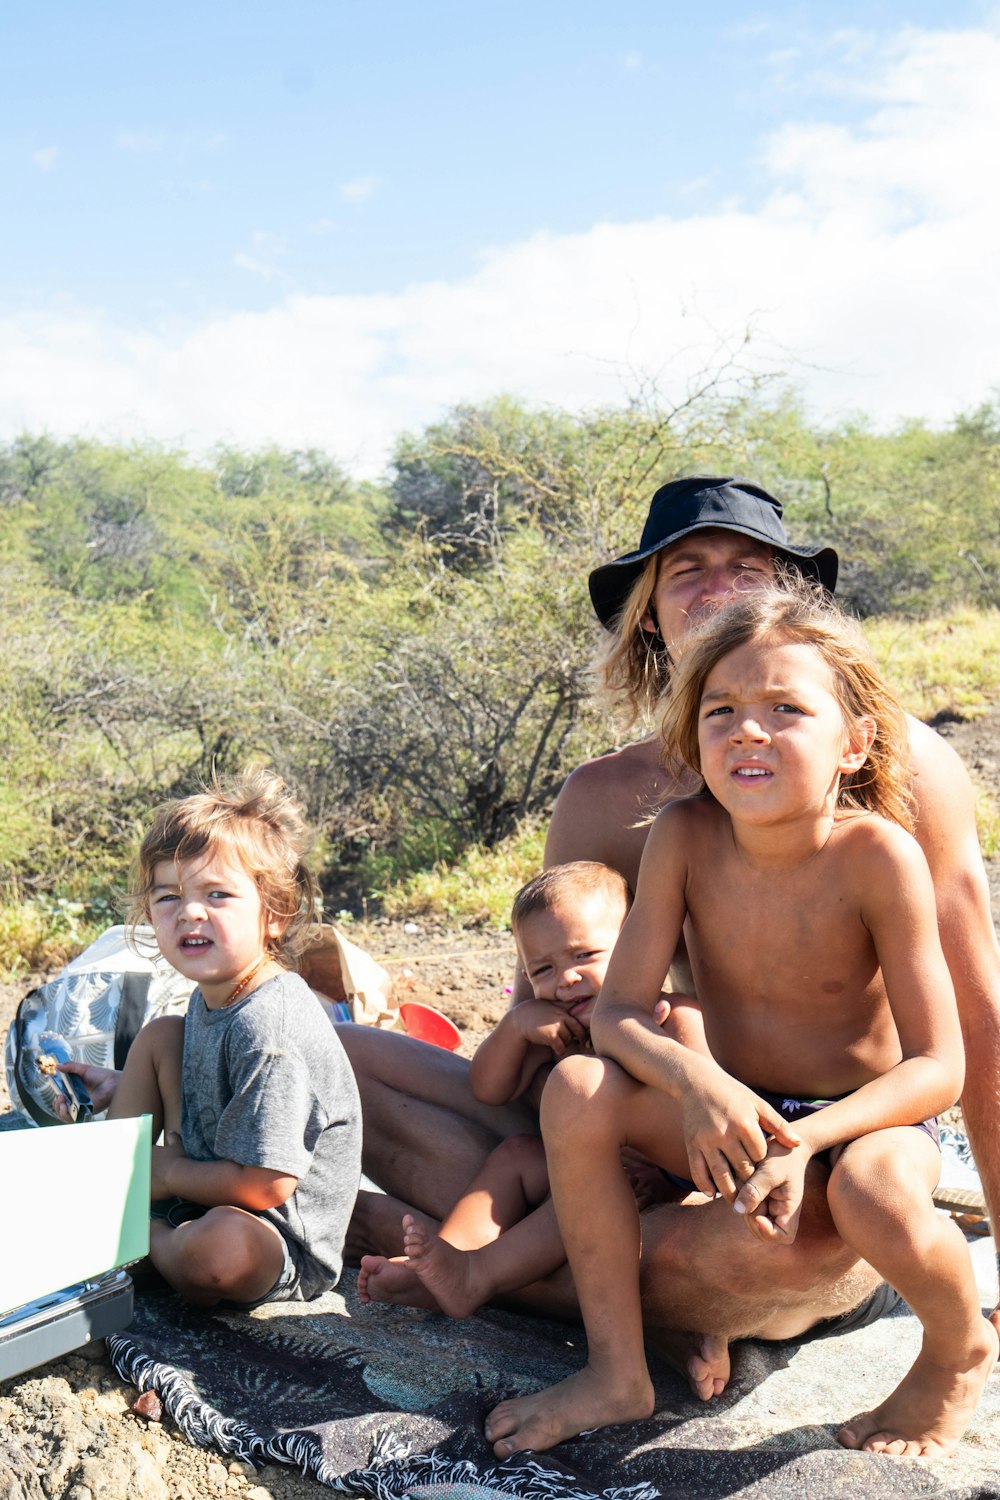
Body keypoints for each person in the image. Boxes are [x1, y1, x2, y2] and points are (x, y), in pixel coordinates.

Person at [340, 475, 1000, 1385]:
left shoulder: (903, 777)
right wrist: (637, 1127)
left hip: (820, 1165)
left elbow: (976, 1027)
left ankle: (474, 1263)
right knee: (342, 1057)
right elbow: (566, 1014)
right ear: (649, 613)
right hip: (668, 1126)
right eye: (688, 570)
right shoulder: (614, 801)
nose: (720, 588)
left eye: (748, 566)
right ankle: (580, 1289)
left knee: (774, 1246)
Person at [485, 585, 998, 1460]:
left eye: (785, 710)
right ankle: (618, 1372)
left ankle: (958, 1348)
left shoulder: (879, 856)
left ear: (854, 744)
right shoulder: (682, 835)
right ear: (695, 737)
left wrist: (812, 1139)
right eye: (722, 710)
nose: (747, 730)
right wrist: (698, 1083)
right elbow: (614, 1013)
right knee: (577, 1086)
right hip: (735, 1109)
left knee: (873, 1190)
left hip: (863, 1122)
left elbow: (938, 1067)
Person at [356, 861, 675, 1315]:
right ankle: (442, 1265)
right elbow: (486, 1087)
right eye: (542, 968)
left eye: (584, 956)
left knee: (587, 1191)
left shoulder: (661, 1018)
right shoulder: (558, 1030)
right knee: (519, 1154)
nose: (565, 979)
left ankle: (476, 1276)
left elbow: (695, 1113)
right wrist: (515, 1026)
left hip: (646, 1188)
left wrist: (666, 1178)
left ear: (638, 947)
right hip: (575, 1171)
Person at [104, 769, 362, 1307]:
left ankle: (131, 1234)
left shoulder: (273, 1027)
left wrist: (171, 1173)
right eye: (169, 896)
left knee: (220, 1249)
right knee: (157, 1038)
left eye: (216, 894)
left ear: (275, 914)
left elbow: (268, 1185)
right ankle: (113, 1180)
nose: (190, 911)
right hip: (207, 1179)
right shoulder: (215, 993)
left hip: (277, 1234)